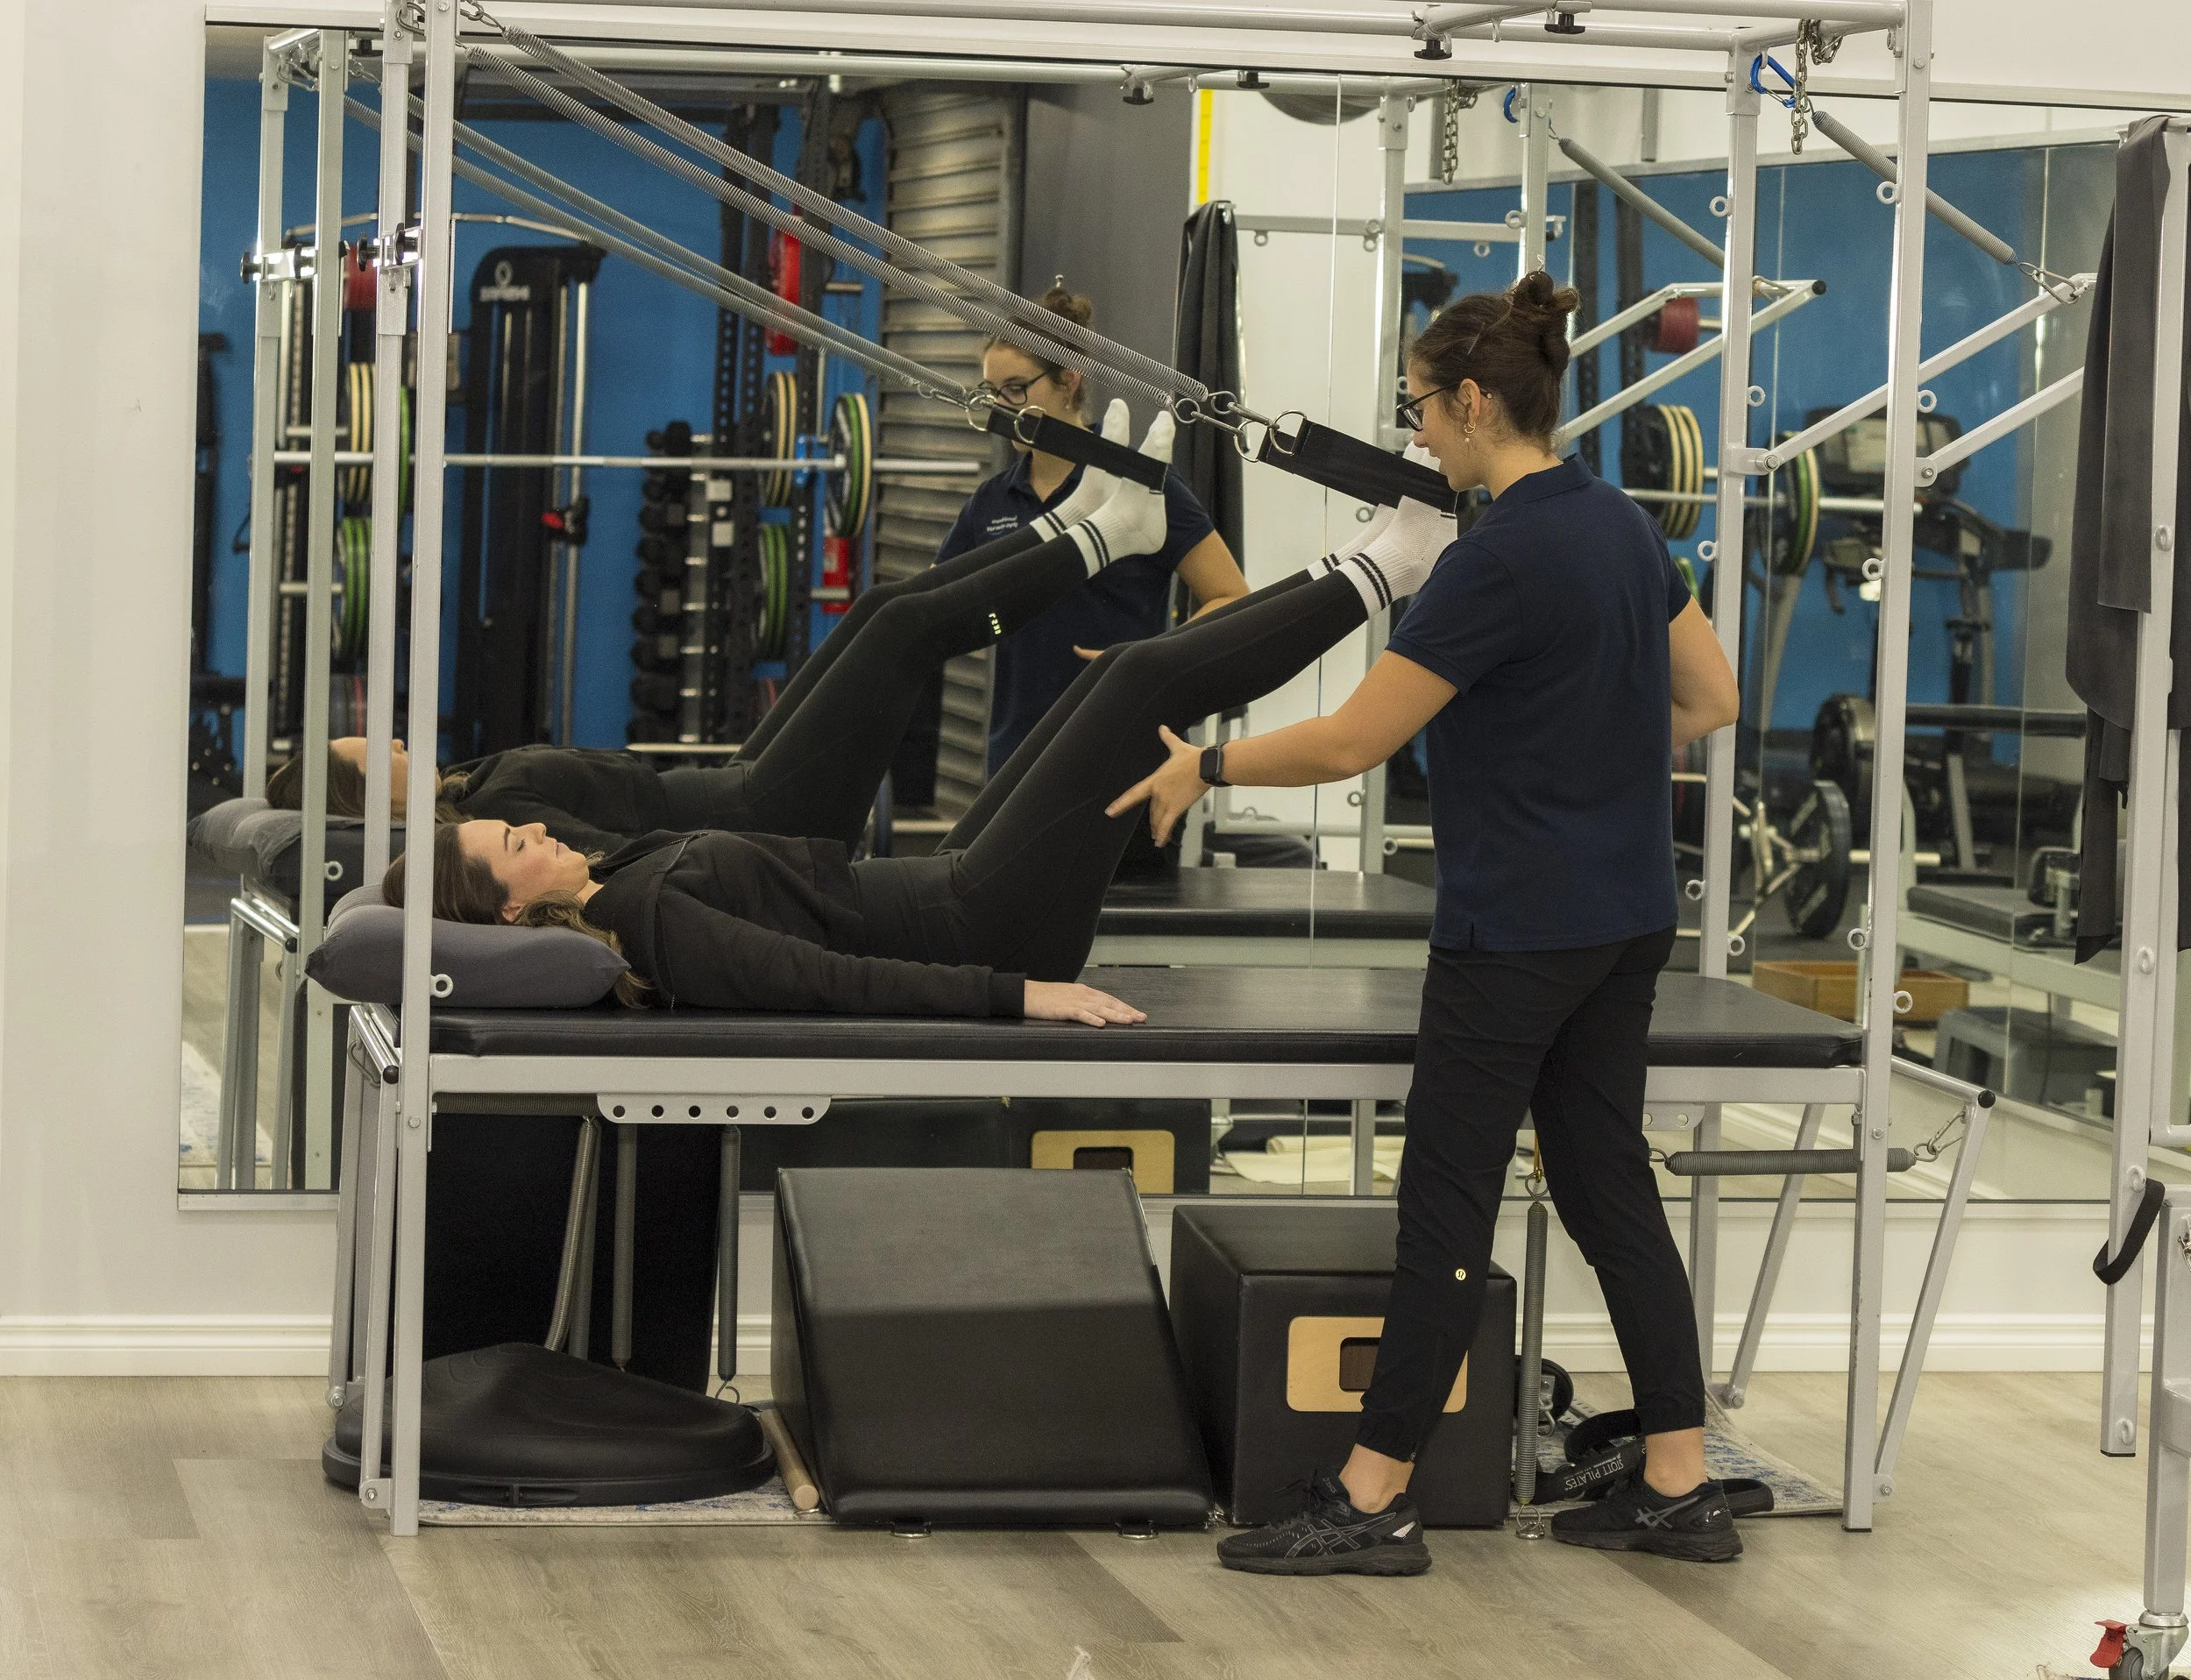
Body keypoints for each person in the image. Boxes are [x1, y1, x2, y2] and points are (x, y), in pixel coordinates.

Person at [1111, 271, 1744, 1574]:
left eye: (1416, 414)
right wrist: (1590, 762)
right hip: (1625, 916)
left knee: (1445, 1206)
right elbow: (1714, 692)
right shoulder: (1621, 524)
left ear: (1469, 404)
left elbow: (1351, 741)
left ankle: (1374, 1494)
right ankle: (1680, 1481)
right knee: (1602, 1181)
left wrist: (1204, 769)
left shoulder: (1490, 560)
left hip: (1517, 929)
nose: (1412, 439)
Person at [385, 464, 1463, 1024]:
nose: (532, 825)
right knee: (1139, 676)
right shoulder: (642, 915)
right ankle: (1396, 562)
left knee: (1086, 690)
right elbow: (825, 983)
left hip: (951, 889)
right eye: (511, 844)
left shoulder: (611, 896)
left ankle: (1373, 555)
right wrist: (1019, 995)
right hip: (985, 927)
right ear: (510, 908)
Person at [267, 407, 1169, 854]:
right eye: (373, 752)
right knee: (904, 636)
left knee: (875, 611)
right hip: (767, 818)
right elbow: (627, 863)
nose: (392, 739)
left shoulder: (466, 786)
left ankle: (1078, 523)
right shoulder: (487, 821)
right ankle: (1107, 537)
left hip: (738, 780)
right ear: (366, 801)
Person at [930, 280, 1250, 784]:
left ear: (1069, 380)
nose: (1002, 407)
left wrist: (1146, 659)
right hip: (1017, 755)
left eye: (1016, 388)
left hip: (1125, 748)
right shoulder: (991, 502)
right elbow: (942, 620)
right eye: (992, 392)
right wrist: (998, 623)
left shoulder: (1138, 483)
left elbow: (1230, 596)